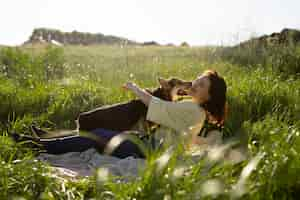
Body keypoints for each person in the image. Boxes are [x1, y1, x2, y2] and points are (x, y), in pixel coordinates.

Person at [12, 69, 227, 158]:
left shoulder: (192, 109)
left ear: (209, 96)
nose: (195, 84)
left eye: (201, 85)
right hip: (150, 144)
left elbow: (161, 108)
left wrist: (135, 89)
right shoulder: (194, 111)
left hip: (151, 149)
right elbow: (185, 137)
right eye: (197, 80)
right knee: (99, 133)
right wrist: (204, 143)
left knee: (97, 137)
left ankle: (37, 145)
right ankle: (43, 140)